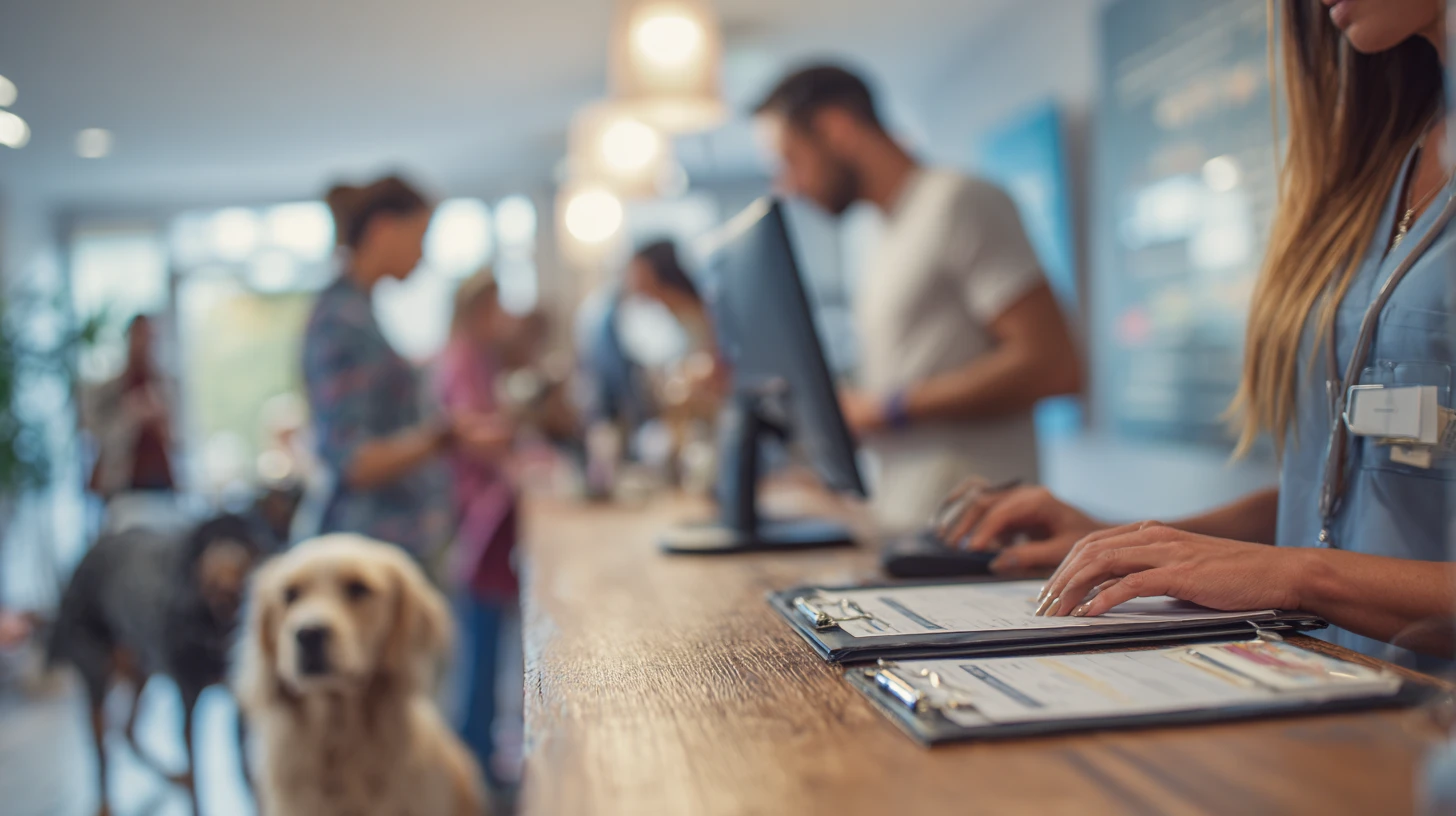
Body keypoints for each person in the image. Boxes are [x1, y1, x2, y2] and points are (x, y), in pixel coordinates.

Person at [941, 0, 1454, 667]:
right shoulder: (1379, 169)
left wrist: (1301, 577)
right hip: (1325, 690)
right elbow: (1341, 496)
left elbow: (1319, 555)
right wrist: (1137, 543)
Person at [753, 65, 1083, 533]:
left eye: (790, 158)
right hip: (906, 518)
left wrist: (888, 409)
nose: (788, 183)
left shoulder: (958, 201)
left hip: (976, 532)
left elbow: (1054, 365)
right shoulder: (877, 235)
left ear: (836, 128)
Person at [303, 175, 504, 556]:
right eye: (420, 236)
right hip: (370, 554)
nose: (422, 255)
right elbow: (354, 462)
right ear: (384, 229)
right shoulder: (340, 321)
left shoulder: (358, 313)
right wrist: (441, 438)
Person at [433, 271, 520, 783]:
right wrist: (514, 431)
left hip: (488, 514)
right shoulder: (461, 358)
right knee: (479, 642)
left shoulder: (478, 358)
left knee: (487, 640)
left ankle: (481, 753)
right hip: (475, 518)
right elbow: (469, 433)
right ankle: (473, 764)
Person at [84, 315, 177, 500]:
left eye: (150, 337)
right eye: (140, 336)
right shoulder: (110, 389)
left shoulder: (166, 387)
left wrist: (158, 417)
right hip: (122, 483)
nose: (145, 343)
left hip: (161, 481)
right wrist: (132, 415)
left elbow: (177, 438)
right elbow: (95, 434)